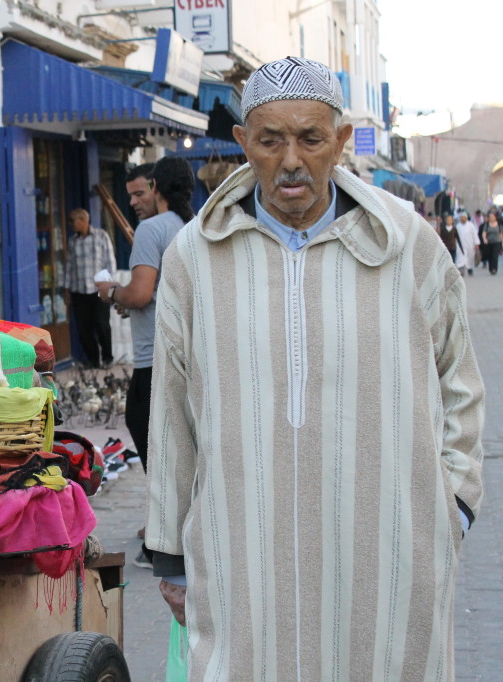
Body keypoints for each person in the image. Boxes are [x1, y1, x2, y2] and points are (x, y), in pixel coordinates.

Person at [147, 56, 484, 679]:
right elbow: (170, 409)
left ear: (343, 142)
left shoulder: (409, 246)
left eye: (311, 138)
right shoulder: (195, 256)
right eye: (271, 140)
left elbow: (460, 384)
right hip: (241, 551)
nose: (291, 161)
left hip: (390, 553)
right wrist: (169, 552)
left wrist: (452, 505)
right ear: (243, 142)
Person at [97, 158, 194, 567]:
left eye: (140, 192)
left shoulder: (153, 230)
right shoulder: (194, 227)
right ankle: (168, 527)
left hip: (153, 356)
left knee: (154, 443)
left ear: (156, 186)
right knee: (181, 444)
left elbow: (139, 293)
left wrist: (110, 292)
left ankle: (164, 545)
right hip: (190, 352)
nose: (134, 200)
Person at [64, 208, 116, 368]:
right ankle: (93, 360)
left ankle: (107, 358)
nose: (70, 224)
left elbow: (110, 262)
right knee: (84, 328)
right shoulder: (73, 241)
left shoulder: (101, 236)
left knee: (102, 325)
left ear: (83, 220)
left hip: (98, 289)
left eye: (72, 220)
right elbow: (69, 266)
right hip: (79, 290)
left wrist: (109, 286)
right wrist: (67, 290)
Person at [456, 211, 478, 276]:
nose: (462, 219)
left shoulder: (471, 225)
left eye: (464, 217)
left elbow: (475, 235)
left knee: (470, 256)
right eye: (461, 217)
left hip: (470, 244)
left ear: (466, 218)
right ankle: (461, 269)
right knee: (460, 257)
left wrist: (476, 243)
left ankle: (469, 268)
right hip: (460, 245)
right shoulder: (458, 226)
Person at [482, 210, 501, 274]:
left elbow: (501, 234)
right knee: (490, 256)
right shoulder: (487, 225)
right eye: (490, 217)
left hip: (497, 242)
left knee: (495, 255)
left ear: (495, 217)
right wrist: (485, 239)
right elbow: (484, 233)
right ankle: (491, 268)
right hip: (489, 242)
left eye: (493, 217)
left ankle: (494, 269)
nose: (491, 218)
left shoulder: (498, 225)